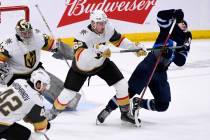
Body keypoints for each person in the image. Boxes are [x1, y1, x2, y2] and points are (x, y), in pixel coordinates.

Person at [46, 10, 147, 125]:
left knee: (122, 85)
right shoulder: (82, 35)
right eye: (99, 23)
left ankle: (125, 113)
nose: (102, 25)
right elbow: (80, 58)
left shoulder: (108, 28)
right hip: (81, 68)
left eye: (104, 22)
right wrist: (96, 51)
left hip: (101, 64)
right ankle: (52, 113)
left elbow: (118, 40)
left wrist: (134, 47)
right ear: (93, 23)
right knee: (68, 94)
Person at [96, 9, 192, 124]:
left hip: (161, 72)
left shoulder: (185, 39)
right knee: (128, 92)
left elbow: (181, 61)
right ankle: (108, 109)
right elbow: (160, 16)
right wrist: (173, 12)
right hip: (149, 64)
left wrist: (174, 51)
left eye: (185, 24)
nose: (183, 24)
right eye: (181, 22)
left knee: (163, 105)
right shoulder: (168, 28)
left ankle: (139, 103)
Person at [0, 19, 80, 110]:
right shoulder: (8, 44)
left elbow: (54, 45)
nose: (27, 35)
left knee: (70, 103)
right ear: (18, 32)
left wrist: (72, 53)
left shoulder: (38, 36)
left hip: (36, 71)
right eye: (24, 33)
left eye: (29, 32)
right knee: (22, 106)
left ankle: (63, 102)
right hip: (16, 76)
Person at [0, 69, 51, 140]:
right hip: (2, 124)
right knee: (32, 138)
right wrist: (46, 124)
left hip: (3, 121)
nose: (45, 89)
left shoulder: (19, 81)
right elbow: (40, 128)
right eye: (44, 85)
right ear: (38, 83)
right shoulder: (36, 101)